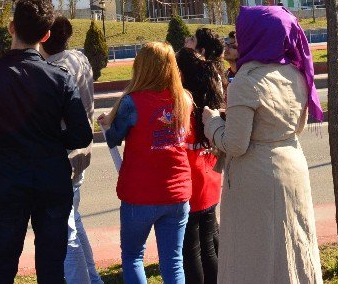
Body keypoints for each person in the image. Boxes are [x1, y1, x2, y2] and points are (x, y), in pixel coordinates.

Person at [0, 0, 93, 284]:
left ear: (11, 27)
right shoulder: (59, 78)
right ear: (45, 36)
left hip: (10, 182)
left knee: (2, 270)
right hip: (52, 180)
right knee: (52, 270)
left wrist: (2, 137)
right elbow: (81, 134)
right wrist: (53, 139)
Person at [202, 6, 324, 284]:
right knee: (292, 247)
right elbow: (299, 127)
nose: (237, 39)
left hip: (256, 177)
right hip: (292, 166)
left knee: (255, 256)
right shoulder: (295, 73)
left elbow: (235, 144)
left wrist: (211, 123)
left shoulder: (247, 80)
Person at [98, 42, 194, 284]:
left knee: (132, 256)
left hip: (139, 194)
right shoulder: (183, 98)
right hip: (177, 192)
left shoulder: (132, 101)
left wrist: (107, 124)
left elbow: (113, 138)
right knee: (173, 261)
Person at [40, 16, 104, 284]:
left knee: (66, 233)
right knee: (73, 219)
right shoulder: (79, 58)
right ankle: (92, 277)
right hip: (81, 152)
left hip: (63, 157)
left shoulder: (54, 70)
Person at [176, 29, 224, 284]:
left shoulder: (183, 96)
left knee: (192, 247)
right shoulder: (213, 81)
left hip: (190, 172)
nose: (187, 41)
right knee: (208, 238)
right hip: (210, 166)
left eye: (192, 41)